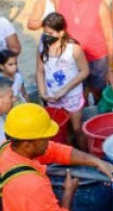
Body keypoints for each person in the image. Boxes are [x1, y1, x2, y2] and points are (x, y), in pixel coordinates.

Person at [57, 0, 113, 105]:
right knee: (78, 96)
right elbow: (60, 32)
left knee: (101, 96)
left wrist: (111, 69)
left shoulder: (99, 5)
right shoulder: (61, 1)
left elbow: (109, 38)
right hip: (74, 59)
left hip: (97, 59)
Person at [37, 13, 90, 149]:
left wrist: (64, 90)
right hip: (52, 97)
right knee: (59, 131)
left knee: (77, 129)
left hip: (71, 96)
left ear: (61, 32)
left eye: (50, 33)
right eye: (44, 33)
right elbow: (40, 71)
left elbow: (85, 71)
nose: (46, 36)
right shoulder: (42, 47)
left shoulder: (73, 49)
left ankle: (85, 156)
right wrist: (43, 92)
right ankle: (67, 158)